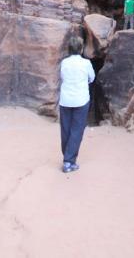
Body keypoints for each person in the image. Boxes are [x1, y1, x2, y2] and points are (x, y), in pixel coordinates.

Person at [58, 36, 94, 173]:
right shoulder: (86, 63)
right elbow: (92, 77)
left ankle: (67, 156)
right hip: (81, 99)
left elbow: (62, 77)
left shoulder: (64, 63)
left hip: (65, 99)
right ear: (81, 48)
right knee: (77, 130)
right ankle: (68, 161)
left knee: (65, 129)